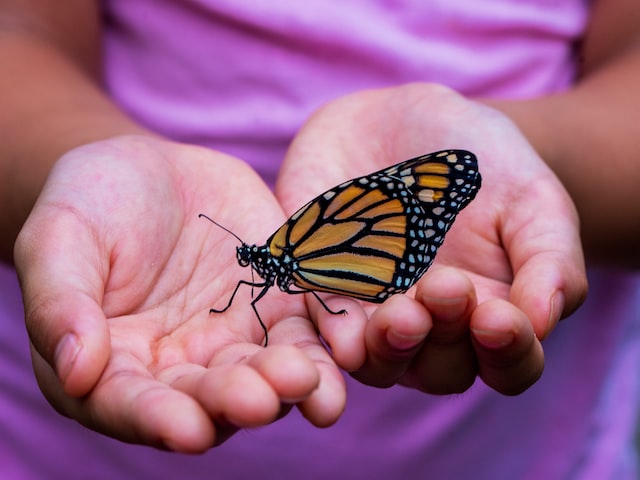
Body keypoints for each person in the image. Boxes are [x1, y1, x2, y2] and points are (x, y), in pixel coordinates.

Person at [1, 0, 638, 478]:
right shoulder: (278, 258)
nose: (252, 263)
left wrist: (540, 160)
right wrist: (80, 164)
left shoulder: (294, 247)